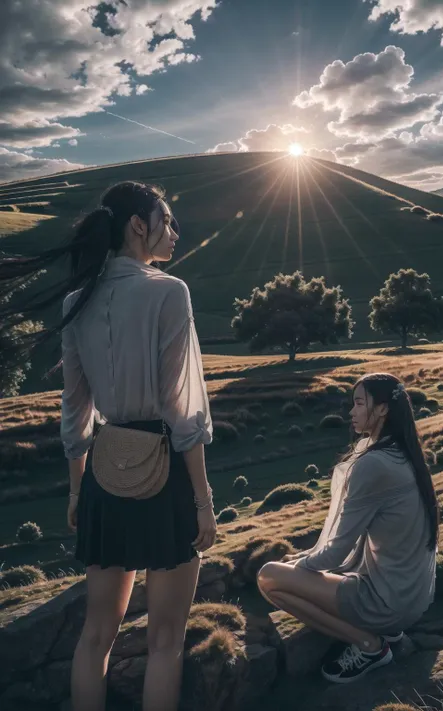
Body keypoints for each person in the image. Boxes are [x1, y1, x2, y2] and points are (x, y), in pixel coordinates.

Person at [0, 181, 215, 711]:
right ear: (138, 226)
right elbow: (183, 410)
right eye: (167, 219)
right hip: (164, 474)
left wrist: (77, 492)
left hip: (102, 475)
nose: (175, 231)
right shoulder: (170, 291)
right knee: (166, 640)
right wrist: (204, 499)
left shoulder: (78, 300)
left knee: (95, 636)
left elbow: (75, 413)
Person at [257, 372, 438, 684]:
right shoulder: (403, 452)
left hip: (387, 603)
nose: (351, 412)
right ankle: (387, 635)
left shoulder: (373, 464)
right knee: (291, 568)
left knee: (268, 577)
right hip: (414, 596)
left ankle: (370, 645)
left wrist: (299, 567)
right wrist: (302, 562)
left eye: (358, 403)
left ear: (382, 409)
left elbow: (337, 551)